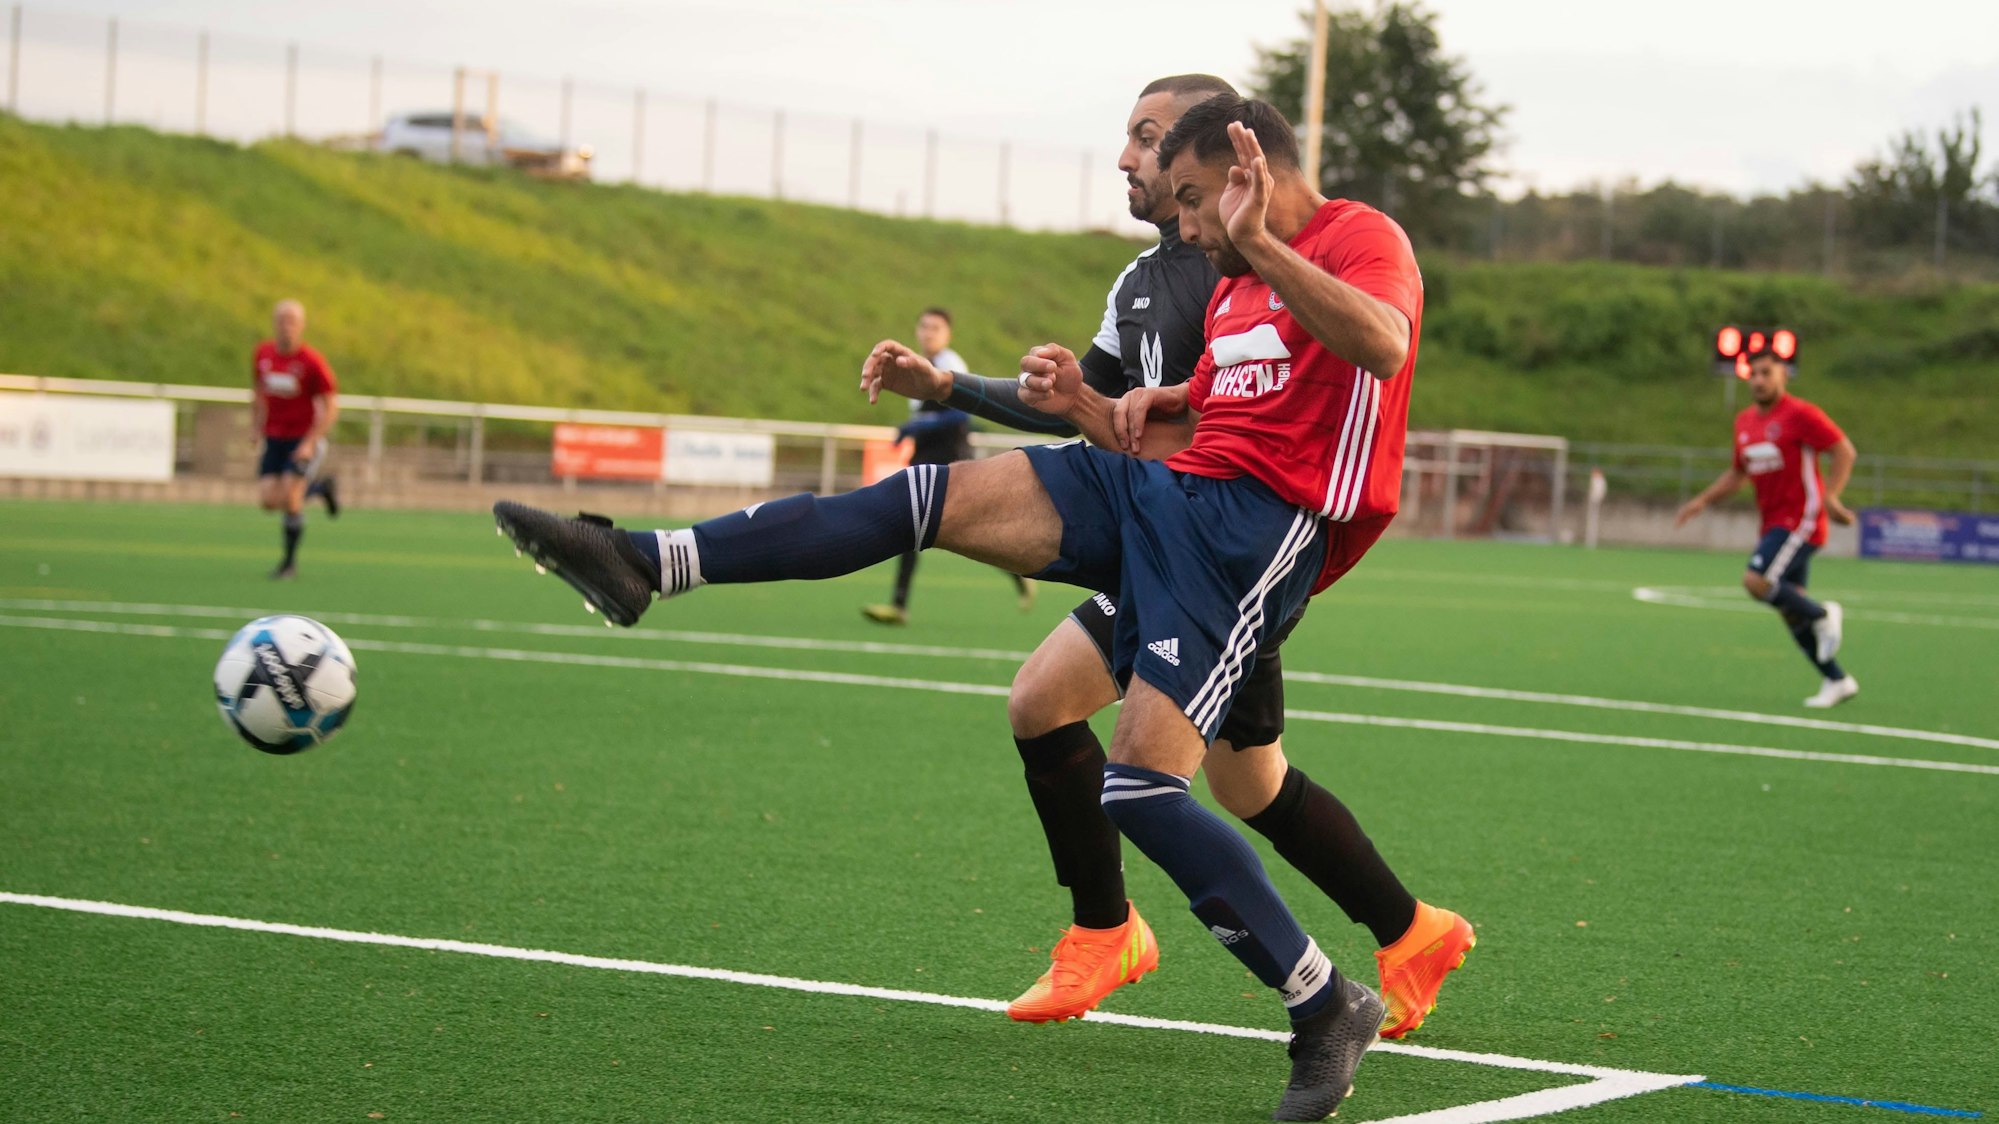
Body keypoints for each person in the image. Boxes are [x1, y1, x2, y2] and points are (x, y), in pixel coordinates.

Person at [493, 96, 1424, 1119]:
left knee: (1146, 793)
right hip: (1164, 495)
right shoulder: (1228, 286)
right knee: (921, 500)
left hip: (1252, 542)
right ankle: (646, 561)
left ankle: (1321, 999)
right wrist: (1091, 404)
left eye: (1196, 198)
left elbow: (1380, 344)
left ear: (1253, 169)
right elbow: (1185, 424)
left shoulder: (1356, 238)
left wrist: (1256, 245)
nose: (1189, 224)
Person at [861, 74, 1470, 1039]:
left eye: (1149, 139)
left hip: (1224, 556)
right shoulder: (1145, 280)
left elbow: (1300, 385)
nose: (1128, 159)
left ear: (1225, 162)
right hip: (1163, 543)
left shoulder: (1231, 257)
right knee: (1190, 761)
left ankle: (1330, 952)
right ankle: (1374, 933)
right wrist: (953, 385)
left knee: (1214, 778)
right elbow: (1087, 398)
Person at [1676, 349, 1859, 707]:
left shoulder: (1801, 414)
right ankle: (1836, 679)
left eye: (1766, 373)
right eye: (1753, 374)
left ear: (1783, 375)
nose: (1758, 380)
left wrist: (1832, 497)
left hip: (1801, 520)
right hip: (1773, 524)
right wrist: (1702, 501)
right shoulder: (1745, 422)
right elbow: (1737, 472)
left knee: (1756, 581)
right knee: (1791, 610)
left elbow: (1843, 450)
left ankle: (1823, 615)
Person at [862, 307, 1035, 624]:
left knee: (975, 528)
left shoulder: (951, 364)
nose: (928, 333)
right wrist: (912, 429)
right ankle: (899, 604)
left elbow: (960, 414)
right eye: (924, 327)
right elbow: (925, 415)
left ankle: (1018, 571)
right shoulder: (911, 364)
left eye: (936, 328)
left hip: (951, 454)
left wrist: (916, 427)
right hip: (924, 455)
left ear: (947, 334)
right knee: (907, 522)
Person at [252, 299, 340, 579]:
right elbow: (257, 393)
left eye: (292, 321)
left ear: (301, 326)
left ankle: (289, 563)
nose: (286, 326)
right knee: (268, 500)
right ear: (274, 323)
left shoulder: (312, 362)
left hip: (302, 439)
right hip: (275, 438)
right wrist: (257, 427)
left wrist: (310, 442)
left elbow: (331, 406)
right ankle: (319, 489)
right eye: (282, 320)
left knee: (291, 496)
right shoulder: (263, 355)